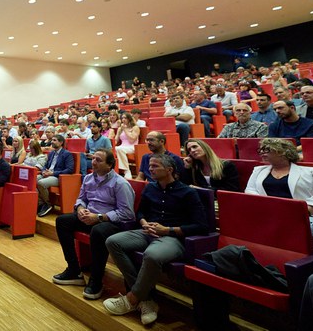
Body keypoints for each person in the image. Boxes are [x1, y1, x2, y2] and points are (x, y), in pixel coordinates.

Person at [104, 154, 208, 325]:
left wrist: (168, 230)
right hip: (147, 232)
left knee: (152, 255)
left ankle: (132, 298)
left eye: (155, 166)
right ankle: (146, 299)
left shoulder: (188, 193)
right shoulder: (150, 188)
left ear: (169, 170)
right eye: (150, 166)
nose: (150, 169)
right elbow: (140, 213)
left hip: (172, 237)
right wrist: (144, 223)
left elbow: (201, 225)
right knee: (113, 241)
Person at [52, 149, 135, 300]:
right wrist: (81, 209)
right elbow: (81, 199)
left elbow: (127, 213)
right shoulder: (88, 178)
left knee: (98, 231)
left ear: (110, 165)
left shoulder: (120, 183)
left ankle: (96, 280)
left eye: (99, 160)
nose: (94, 162)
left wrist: (99, 217)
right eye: (93, 158)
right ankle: (74, 270)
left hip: (111, 223)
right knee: (62, 221)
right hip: (89, 217)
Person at [245, 138, 313, 243]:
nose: (262, 152)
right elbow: (250, 191)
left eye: (267, 149)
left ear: (283, 152)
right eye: (261, 150)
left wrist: (300, 211)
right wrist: (271, 209)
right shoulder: (258, 170)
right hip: (269, 214)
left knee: (309, 231)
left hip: (301, 215)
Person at [37, 134, 75, 217]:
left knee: (40, 183)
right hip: (48, 174)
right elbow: (45, 165)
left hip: (58, 177)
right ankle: (41, 203)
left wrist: (53, 173)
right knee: (33, 180)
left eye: (54, 140)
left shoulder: (67, 154)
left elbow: (69, 169)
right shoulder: (51, 153)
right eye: (52, 140)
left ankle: (48, 204)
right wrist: (43, 171)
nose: (52, 142)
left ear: (61, 142)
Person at [114, 113, 139, 179]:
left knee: (119, 149)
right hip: (122, 146)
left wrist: (125, 129)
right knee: (113, 149)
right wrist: (118, 132)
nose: (123, 119)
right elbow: (116, 141)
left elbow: (132, 140)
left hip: (132, 147)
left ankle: (126, 171)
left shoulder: (135, 128)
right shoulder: (120, 128)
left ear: (129, 119)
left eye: (125, 118)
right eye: (122, 118)